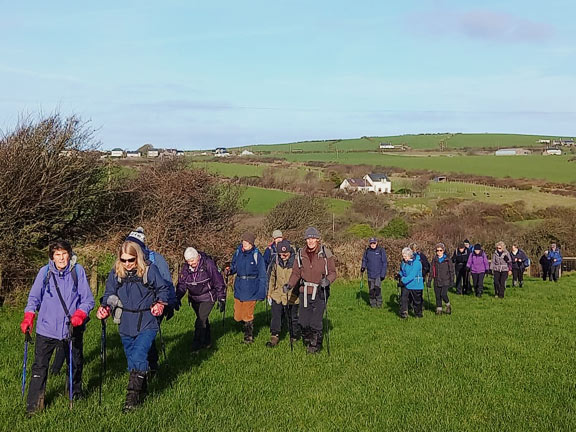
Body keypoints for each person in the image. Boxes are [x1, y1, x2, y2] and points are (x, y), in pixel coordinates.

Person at [21, 240, 94, 415]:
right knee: (39, 366)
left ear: (69, 254)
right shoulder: (44, 272)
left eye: (64, 254)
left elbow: (88, 300)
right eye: (57, 255)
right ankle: (34, 405)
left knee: (75, 363)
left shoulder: (78, 271)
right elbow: (34, 298)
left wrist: (80, 314)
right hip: (46, 328)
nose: (61, 258)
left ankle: (75, 395)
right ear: (52, 257)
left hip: (72, 327)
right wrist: (29, 316)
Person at [97, 240, 169, 412]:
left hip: (147, 320)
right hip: (125, 322)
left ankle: (131, 399)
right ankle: (143, 390)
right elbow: (109, 294)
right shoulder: (116, 273)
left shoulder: (150, 270)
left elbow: (163, 289)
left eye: (131, 260)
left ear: (138, 257)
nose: (128, 264)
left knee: (138, 356)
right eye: (124, 260)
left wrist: (160, 304)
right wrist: (105, 308)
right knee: (132, 361)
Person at [125, 227, 178, 373]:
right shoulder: (125, 261)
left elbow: (166, 282)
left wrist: (170, 304)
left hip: (153, 306)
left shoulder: (156, 260)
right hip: (132, 309)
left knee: (146, 337)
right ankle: (143, 368)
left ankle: (149, 368)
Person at [286, 227, 337, 354]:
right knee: (303, 321)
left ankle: (315, 345)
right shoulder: (300, 254)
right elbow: (296, 273)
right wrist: (289, 285)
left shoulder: (325, 253)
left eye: (313, 238)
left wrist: (328, 281)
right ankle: (309, 339)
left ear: (317, 239)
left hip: (320, 290)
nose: (310, 241)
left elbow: (333, 272)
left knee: (315, 321)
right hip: (305, 291)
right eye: (308, 238)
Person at [176, 247, 226, 352]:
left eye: (192, 261)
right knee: (203, 319)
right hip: (194, 298)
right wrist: (176, 298)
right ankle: (207, 341)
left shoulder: (208, 264)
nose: (190, 263)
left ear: (198, 257)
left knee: (200, 320)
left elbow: (218, 281)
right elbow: (182, 285)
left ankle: (196, 345)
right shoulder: (186, 268)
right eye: (188, 261)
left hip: (208, 297)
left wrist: (221, 298)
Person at [228, 232, 267, 344]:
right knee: (237, 316)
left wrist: (261, 292)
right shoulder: (238, 252)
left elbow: (262, 274)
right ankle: (245, 326)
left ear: (252, 243)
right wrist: (229, 270)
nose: (245, 244)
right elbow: (234, 266)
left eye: (248, 242)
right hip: (239, 286)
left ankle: (248, 337)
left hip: (252, 287)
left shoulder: (257, 255)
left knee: (247, 314)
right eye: (244, 241)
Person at [266, 240, 300, 347]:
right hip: (278, 294)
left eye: (285, 253)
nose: (283, 255)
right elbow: (271, 277)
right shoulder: (275, 261)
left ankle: (294, 336)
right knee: (276, 315)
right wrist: (269, 293)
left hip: (292, 295)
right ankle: (274, 336)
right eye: (281, 253)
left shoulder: (296, 262)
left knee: (292, 317)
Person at [361, 237, 388, 308]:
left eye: (374, 243)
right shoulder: (367, 251)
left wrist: (383, 274)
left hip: (378, 274)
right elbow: (364, 260)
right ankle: (373, 304)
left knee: (377, 289)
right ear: (369, 244)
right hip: (370, 274)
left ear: (376, 243)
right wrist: (363, 267)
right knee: (371, 290)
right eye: (371, 243)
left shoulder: (381, 250)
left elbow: (384, 263)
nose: (372, 244)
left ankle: (379, 303)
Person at [397, 247, 424, 319]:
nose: (404, 258)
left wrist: (403, 282)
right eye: (403, 256)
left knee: (417, 301)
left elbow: (412, 275)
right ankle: (404, 312)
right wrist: (399, 275)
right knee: (403, 298)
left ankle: (418, 313)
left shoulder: (417, 263)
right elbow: (403, 270)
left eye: (405, 256)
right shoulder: (404, 262)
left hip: (416, 284)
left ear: (410, 255)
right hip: (406, 284)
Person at [428, 243, 454, 315]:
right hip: (436, 280)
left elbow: (451, 271)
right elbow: (431, 270)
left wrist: (452, 281)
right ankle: (439, 309)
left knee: (443, 294)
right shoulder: (434, 260)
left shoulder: (447, 260)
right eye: (437, 250)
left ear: (443, 251)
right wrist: (429, 280)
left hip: (446, 280)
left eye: (440, 250)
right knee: (437, 296)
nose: (439, 252)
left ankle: (448, 305)